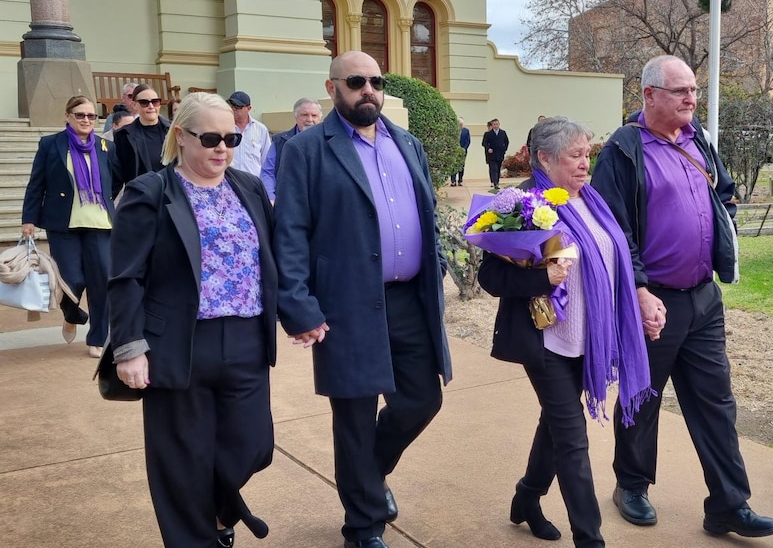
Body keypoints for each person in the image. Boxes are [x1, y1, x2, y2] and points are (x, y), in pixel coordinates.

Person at [590, 55, 773, 538]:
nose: (691, 99)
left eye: (693, 90)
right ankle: (631, 484)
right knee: (642, 395)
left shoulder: (700, 140)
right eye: (679, 91)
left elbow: (727, 192)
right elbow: (613, 230)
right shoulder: (624, 148)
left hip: (703, 298)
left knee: (715, 400)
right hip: (653, 300)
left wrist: (724, 236)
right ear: (649, 95)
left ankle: (728, 503)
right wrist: (637, 291)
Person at [274, 50, 452, 548]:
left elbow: (427, 213)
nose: (368, 89)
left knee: (422, 400)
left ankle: (367, 476)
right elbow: (289, 233)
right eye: (356, 81)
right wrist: (298, 305)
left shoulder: (408, 144)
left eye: (375, 81)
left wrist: (434, 267)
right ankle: (363, 526)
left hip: (409, 302)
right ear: (333, 88)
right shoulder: (307, 150)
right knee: (353, 417)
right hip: (345, 305)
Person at [108, 92, 277, 548]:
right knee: (182, 461)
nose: (222, 147)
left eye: (231, 138)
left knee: (253, 446)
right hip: (177, 345)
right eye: (210, 138)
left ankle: (222, 510)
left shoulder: (250, 188)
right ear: (181, 137)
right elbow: (126, 277)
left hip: (246, 339)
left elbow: (275, 258)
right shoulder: (150, 192)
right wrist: (129, 347)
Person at [478, 117, 652, 548]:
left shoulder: (593, 200)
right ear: (544, 158)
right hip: (547, 341)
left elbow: (618, 253)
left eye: (587, 154)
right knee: (573, 439)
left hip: (590, 341)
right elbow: (491, 278)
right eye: (575, 155)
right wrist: (543, 279)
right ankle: (590, 539)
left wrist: (643, 298)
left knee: (554, 427)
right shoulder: (520, 205)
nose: (584, 163)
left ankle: (527, 497)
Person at [21, 95, 117, 359]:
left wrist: (106, 201)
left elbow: (116, 180)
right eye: (80, 115)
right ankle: (72, 314)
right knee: (71, 279)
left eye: (91, 116)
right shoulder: (51, 144)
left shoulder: (105, 146)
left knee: (102, 282)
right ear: (67, 116)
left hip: (99, 224)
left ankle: (97, 338)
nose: (86, 120)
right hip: (63, 224)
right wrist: (28, 219)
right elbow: (36, 184)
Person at [260, 97, 323, 201]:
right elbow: (268, 172)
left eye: (314, 115)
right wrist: (271, 198)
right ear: (296, 116)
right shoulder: (280, 141)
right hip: (287, 202)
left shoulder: (328, 142)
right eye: (304, 115)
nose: (310, 119)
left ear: (320, 118)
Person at [114, 84, 171, 185]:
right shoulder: (123, 135)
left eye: (155, 102)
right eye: (144, 103)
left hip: (172, 193)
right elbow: (118, 174)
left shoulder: (173, 130)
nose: (151, 106)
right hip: (141, 194)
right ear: (135, 105)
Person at [227, 91, 272, 177]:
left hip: (253, 181)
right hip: (230, 180)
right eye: (232, 105)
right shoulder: (224, 127)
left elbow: (266, 160)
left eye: (238, 106)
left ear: (249, 108)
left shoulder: (260, 129)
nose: (234, 109)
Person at [481, 118, 509, 190]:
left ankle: (497, 182)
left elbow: (506, 141)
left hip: (500, 154)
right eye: (494, 124)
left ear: (499, 125)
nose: (495, 125)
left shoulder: (503, 133)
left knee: (498, 168)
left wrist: (504, 149)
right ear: (492, 125)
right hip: (492, 155)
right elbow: (484, 143)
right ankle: (495, 183)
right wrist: (488, 148)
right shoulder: (488, 134)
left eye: (497, 124)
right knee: (494, 169)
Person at [450, 117, 469, 187]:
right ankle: (453, 181)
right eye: (459, 124)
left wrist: (464, 148)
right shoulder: (453, 131)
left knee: (461, 166)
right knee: (453, 166)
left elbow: (468, 141)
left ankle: (460, 180)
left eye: (461, 124)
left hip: (463, 151)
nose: (460, 125)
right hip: (454, 151)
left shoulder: (466, 131)